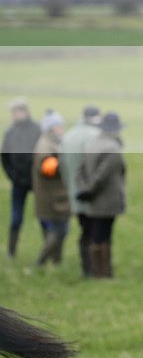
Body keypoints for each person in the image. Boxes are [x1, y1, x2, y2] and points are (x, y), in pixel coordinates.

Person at [76, 112, 126, 278]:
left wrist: (85, 189)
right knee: (103, 236)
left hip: (92, 200)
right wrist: (91, 189)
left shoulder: (91, 144)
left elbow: (81, 169)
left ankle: (96, 271)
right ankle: (103, 273)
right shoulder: (112, 148)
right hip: (107, 200)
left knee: (96, 234)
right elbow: (102, 175)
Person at [59, 105, 101, 276]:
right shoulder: (94, 136)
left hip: (73, 191)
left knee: (84, 230)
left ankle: (87, 267)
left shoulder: (68, 136)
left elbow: (62, 165)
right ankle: (93, 268)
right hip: (91, 193)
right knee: (93, 232)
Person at [2, 97, 43, 258]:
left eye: (16, 112)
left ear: (24, 111)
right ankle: (11, 252)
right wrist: (12, 176)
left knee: (43, 216)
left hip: (37, 181)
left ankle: (48, 251)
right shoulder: (10, 132)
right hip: (18, 182)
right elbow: (4, 158)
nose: (14, 115)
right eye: (13, 112)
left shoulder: (37, 129)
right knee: (16, 218)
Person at [32, 111, 70, 266]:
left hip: (54, 195)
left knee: (59, 230)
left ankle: (56, 262)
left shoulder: (51, 142)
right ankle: (41, 262)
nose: (62, 129)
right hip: (52, 196)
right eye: (59, 126)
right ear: (52, 128)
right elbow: (48, 169)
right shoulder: (46, 145)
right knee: (60, 231)